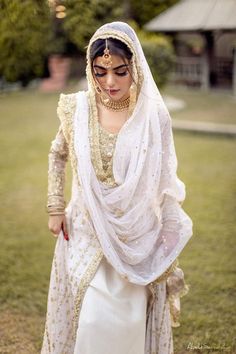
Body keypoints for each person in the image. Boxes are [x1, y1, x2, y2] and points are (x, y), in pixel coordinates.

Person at [41, 22, 193, 354]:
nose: (109, 82)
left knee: (129, 322)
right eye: (100, 72)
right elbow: (58, 153)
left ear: (134, 66)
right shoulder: (77, 110)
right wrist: (55, 206)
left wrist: (168, 228)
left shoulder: (153, 117)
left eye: (120, 72)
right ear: (90, 69)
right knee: (93, 320)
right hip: (86, 231)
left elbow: (166, 180)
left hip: (136, 238)